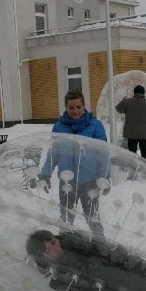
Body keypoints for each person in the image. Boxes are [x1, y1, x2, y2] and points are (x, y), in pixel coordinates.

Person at [38, 89, 109, 235]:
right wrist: (45, 174)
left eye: (78, 107)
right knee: (66, 219)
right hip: (67, 183)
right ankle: (64, 248)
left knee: (93, 218)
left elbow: (104, 153)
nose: (75, 111)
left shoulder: (95, 126)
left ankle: (101, 250)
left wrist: (105, 176)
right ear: (66, 107)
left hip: (90, 182)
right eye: (71, 107)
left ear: (84, 106)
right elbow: (53, 153)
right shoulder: (59, 127)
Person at [115, 85, 146, 159]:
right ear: (143, 93)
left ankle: (133, 166)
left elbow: (118, 109)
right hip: (144, 133)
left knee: (132, 153)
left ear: (134, 92)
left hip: (131, 133)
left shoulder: (127, 102)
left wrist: (123, 101)